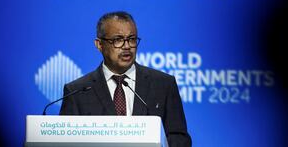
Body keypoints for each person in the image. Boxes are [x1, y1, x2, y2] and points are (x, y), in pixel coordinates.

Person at [60, 11, 192, 146]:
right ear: (99, 45)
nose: (127, 46)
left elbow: (179, 138)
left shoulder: (163, 85)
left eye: (132, 39)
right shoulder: (77, 92)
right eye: (118, 40)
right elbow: (65, 143)